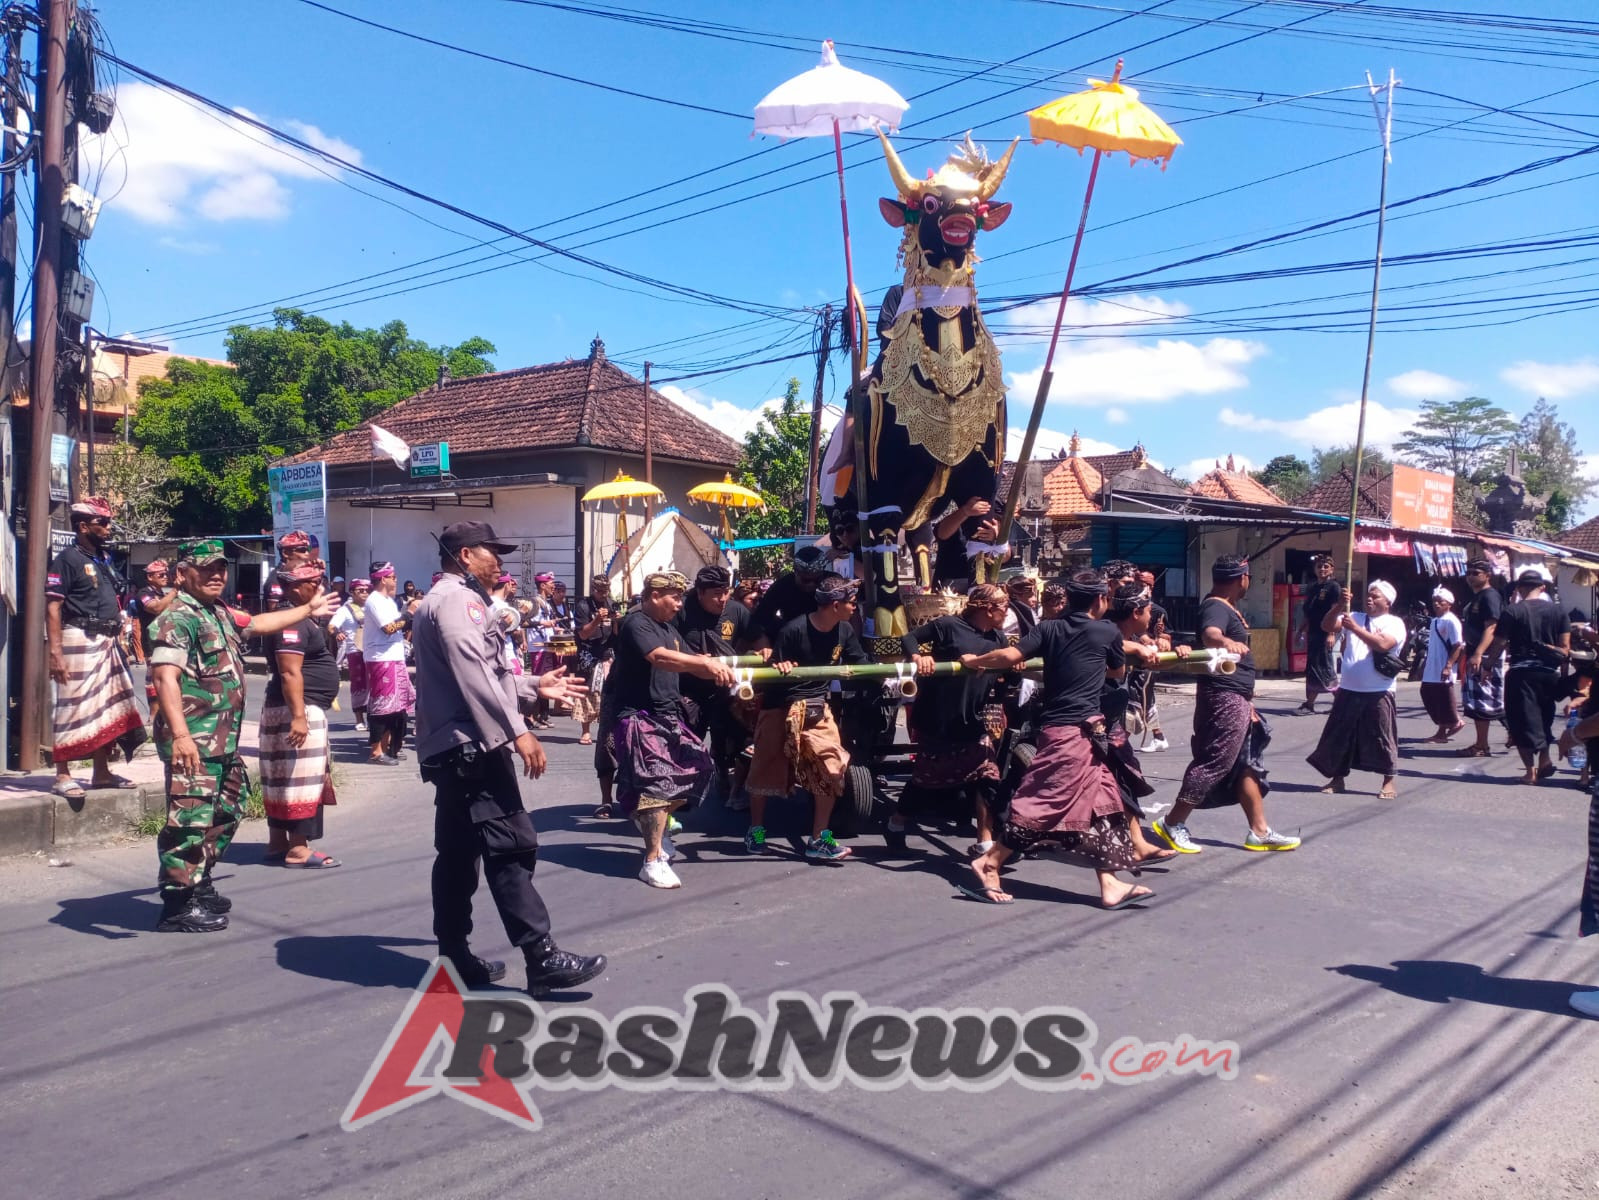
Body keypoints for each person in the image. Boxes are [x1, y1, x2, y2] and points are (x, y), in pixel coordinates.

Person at [414, 520, 605, 995]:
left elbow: (486, 675)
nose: (499, 560)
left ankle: (453, 957)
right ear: (463, 555)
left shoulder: (450, 598)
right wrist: (518, 733)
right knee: (511, 844)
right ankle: (541, 958)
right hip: (471, 746)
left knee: (457, 854)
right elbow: (473, 674)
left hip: (454, 744)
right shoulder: (457, 599)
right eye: (489, 551)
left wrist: (535, 685)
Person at [148, 540, 333, 932]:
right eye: (206, 568)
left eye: (221, 568)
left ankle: (199, 880)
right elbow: (165, 677)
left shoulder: (217, 612)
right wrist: (180, 736)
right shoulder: (178, 618)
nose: (217, 575)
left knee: (229, 810)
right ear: (183, 574)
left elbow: (259, 623)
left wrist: (307, 609)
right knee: (189, 823)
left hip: (222, 741)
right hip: (194, 743)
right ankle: (177, 904)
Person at [958, 569, 1156, 909]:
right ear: (1100, 600)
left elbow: (1009, 657)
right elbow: (1116, 672)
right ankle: (989, 863)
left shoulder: (1048, 628)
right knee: (1043, 803)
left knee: (1105, 804)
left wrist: (973, 661)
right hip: (1072, 733)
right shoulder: (1106, 631)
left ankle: (1110, 883)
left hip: (1079, 733)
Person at [1151, 556, 1301, 854]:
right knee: (1216, 760)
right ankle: (1172, 822)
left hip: (1237, 697)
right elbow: (1210, 633)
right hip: (1224, 696)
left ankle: (1260, 831)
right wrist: (1224, 642)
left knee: (1245, 763)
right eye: (1248, 577)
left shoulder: (1224, 606)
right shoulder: (1216, 606)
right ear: (1241, 578)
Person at [607, 571, 733, 888]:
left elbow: (684, 658)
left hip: (668, 715)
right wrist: (700, 664)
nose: (679, 604)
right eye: (673, 597)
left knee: (701, 766)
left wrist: (711, 665)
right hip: (640, 716)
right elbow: (660, 658)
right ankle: (652, 860)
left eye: (680, 596)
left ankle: (657, 831)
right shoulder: (638, 623)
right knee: (656, 787)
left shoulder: (668, 628)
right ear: (653, 595)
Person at [746, 573, 870, 864]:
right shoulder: (793, 630)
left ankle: (819, 838)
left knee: (832, 767)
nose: (855, 607)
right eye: (851, 602)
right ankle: (756, 830)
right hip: (780, 707)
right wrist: (782, 664)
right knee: (766, 771)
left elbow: (860, 662)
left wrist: (889, 673)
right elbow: (776, 663)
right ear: (835, 605)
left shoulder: (845, 631)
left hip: (817, 707)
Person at [891, 583, 1009, 856]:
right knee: (924, 781)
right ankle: (896, 823)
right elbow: (908, 638)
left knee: (987, 777)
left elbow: (1006, 678)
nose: (1007, 611)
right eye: (1003, 606)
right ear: (987, 609)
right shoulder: (948, 625)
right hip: (939, 717)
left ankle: (985, 839)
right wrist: (920, 657)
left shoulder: (999, 639)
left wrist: (1012, 667)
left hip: (973, 719)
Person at [45, 496, 148, 797]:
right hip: (78, 637)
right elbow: (53, 607)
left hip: (107, 640)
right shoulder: (67, 560)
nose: (107, 527)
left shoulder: (103, 558)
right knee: (70, 705)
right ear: (82, 526)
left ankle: (101, 773)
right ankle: (62, 775)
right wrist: (55, 653)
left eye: (108, 521)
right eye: (101, 522)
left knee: (106, 708)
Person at [260, 561, 342, 869]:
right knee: (300, 780)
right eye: (314, 582)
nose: (320, 586)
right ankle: (297, 848)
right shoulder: (291, 623)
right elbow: (290, 672)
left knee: (281, 777)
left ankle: (277, 842)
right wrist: (299, 717)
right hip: (297, 708)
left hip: (293, 707)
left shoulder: (295, 617)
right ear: (295, 588)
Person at [676, 565, 765, 811]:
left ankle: (736, 789)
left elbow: (759, 637)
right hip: (689, 689)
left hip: (728, 688)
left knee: (742, 740)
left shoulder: (736, 611)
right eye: (716, 593)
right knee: (685, 741)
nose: (722, 598)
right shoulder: (681, 610)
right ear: (700, 592)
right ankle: (681, 790)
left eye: (725, 592)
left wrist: (764, 648)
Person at [1307, 581, 1406, 799]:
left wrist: (1356, 629)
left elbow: (1383, 645)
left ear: (1388, 601)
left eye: (1376, 596)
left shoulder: (1394, 622)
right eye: (1368, 595)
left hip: (1379, 689)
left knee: (1382, 736)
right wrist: (1339, 605)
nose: (1370, 598)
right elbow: (1327, 625)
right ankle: (1337, 778)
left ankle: (1388, 780)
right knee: (1340, 735)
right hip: (1349, 688)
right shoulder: (1355, 616)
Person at [1490, 565, 1572, 785]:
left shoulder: (1512, 611)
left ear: (1519, 588)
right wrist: (1562, 675)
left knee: (1520, 721)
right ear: (1542, 587)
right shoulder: (1559, 611)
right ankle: (1544, 760)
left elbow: (1498, 643)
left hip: (1521, 674)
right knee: (1544, 718)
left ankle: (1530, 771)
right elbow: (1565, 649)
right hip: (1548, 673)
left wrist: (1487, 665)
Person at [363, 563, 414, 764]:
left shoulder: (388, 601)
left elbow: (399, 625)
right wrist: (409, 613)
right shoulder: (374, 601)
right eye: (392, 577)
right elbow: (390, 627)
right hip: (381, 658)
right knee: (382, 706)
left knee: (398, 706)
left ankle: (391, 746)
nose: (395, 580)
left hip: (394, 656)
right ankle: (376, 751)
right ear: (383, 579)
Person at [1458, 558, 1505, 757]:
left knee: (1487, 702)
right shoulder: (1476, 597)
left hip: (1486, 654)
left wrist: (1479, 654)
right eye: (1468, 573)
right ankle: (1481, 744)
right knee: (1478, 701)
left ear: (1487, 575)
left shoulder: (1490, 596)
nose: (1470, 577)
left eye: (1476, 573)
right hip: (1474, 652)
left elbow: (1492, 627)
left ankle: (1483, 745)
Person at [570, 573, 616, 749]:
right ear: (594, 590)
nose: (604, 594)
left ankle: (608, 729)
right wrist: (597, 620)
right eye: (600, 591)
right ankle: (585, 730)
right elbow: (583, 634)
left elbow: (615, 632)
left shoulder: (610, 603)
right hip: (588, 653)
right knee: (588, 691)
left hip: (607, 652)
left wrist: (617, 621)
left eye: (606, 591)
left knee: (608, 692)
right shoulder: (583, 606)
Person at [752, 544, 828, 642]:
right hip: (791, 640)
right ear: (795, 572)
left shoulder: (832, 583)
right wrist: (764, 640)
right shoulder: (782, 586)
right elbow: (760, 618)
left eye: (816, 580)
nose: (811, 585)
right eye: (805, 580)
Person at [1297, 555, 1343, 716]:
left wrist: (1331, 633)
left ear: (1331, 569)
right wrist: (1300, 630)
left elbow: (1335, 611)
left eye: (1325, 566)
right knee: (1312, 668)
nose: (1322, 569)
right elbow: (1308, 612)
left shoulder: (1334, 587)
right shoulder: (1312, 587)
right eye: (1319, 566)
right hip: (1313, 632)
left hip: (1326, 632)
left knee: (1325, 666)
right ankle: (1309, 703)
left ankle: (1340, 700)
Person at [1420, 585, 1465, 743]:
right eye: (1435, 601)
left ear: (1449, 604)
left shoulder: (1451, 621)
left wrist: (1448, 666)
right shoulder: (1435, 621)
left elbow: (1457, 645)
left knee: (1444, 695)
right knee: (1428, 693)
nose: (1436, 604)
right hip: (1432, 665)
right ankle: (1444, 726)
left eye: (1440, 601)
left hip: (1444, 665)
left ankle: (1453, 722)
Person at [133, 559, 178, 700]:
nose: (165, 577)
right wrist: (175, 590)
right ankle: (152, 718)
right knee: (155, 685)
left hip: (167, 643)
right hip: (152, 645)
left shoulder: (164, 594)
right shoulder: (144, 593)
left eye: (166, 574)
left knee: (168, 686)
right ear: (150, 577)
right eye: (161, 575)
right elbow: (156, 608)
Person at [330, 578, 371, 731]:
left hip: (373, 651)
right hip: (355, 651)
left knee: (374, 685)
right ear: (352, 592)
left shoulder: (373, 607)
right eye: (360, 590)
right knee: (359, 685)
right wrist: (337, 633)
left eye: (367, 590)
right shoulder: (345, 610)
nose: (365, 593)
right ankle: (359, 719)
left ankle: (373, 717)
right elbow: (331, 626)